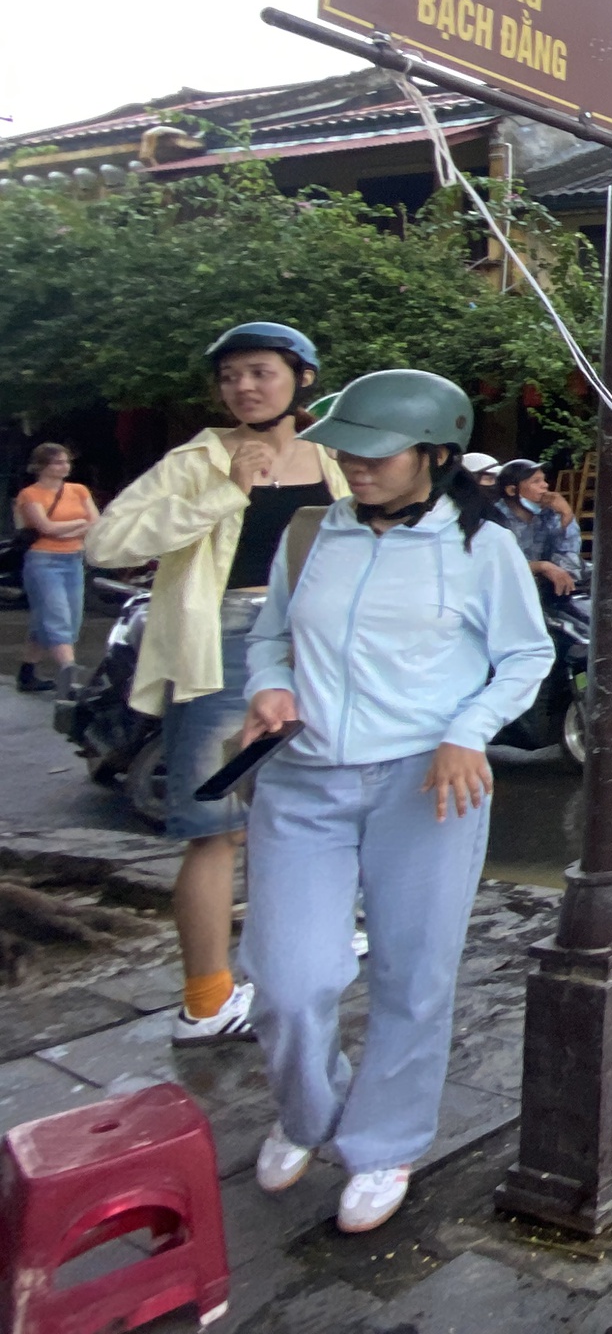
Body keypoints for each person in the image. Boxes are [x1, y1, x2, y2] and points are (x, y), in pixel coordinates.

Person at [235, 368, 547, 1235]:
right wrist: (268, 687)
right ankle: (307, 1113)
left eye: (377, 453)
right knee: (288, 979)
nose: (356, 467)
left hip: (427, 785)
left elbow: (526, 657)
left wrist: (467, 731)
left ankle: (384, 1142)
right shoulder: (309, 534)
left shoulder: (482, 547)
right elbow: (270, 638)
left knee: (413, 973)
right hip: (303, 779)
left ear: (436, 455)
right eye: (346, 452)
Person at [87, 323, 346, 1046]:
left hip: (319, 646)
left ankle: (296, 951)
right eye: (230, 376)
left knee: (303, 811)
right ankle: (206, 1000)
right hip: (224, 647)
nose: (243, 387)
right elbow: (106, 543)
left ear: (302, 377)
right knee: (216, 828)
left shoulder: (334, 456)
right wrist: (224, 493)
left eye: (260, 372)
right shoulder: (196, 460)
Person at [15, 443, 95, 692]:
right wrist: (80, 523)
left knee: (63, 618)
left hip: (74, 559)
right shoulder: (30, 494)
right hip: (44, 561)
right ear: (42, 466)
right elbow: (46, 527)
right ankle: (69, 674)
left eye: (67, 462)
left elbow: (96, 521)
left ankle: (27, 673)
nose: (65, 467)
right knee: (57, 617)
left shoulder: (79, 490)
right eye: (58, 462)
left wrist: (69, 529)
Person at [493, 459, 581, 596]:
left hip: (546, 589)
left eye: (544, 480)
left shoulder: (549, 513)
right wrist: (541, 566)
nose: (545, 485)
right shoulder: (495, 520)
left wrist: (566, 515)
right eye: (536, 481)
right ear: (512, 490)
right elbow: (499, 566)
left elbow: (568, 554)